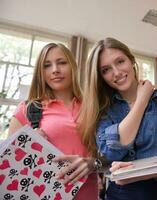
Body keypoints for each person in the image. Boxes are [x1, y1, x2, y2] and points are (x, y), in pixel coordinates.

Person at [79, 37, 157, 200]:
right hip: (119, 196)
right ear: (100, 76)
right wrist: (141, 101)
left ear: (131, 60)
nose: (117, 72)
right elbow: (110, 152)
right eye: (106, 70)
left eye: (120, 61)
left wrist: (137, 173)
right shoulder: (104, 109)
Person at [8, 43, 98, 199]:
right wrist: (30, 145)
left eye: (62, 62)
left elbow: (108, 155)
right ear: (40, 72)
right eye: (47, 65)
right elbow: (9, 163)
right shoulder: (27, 109)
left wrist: (93, 163)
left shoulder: (93, 107)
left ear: (73, 67)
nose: (55, 70)